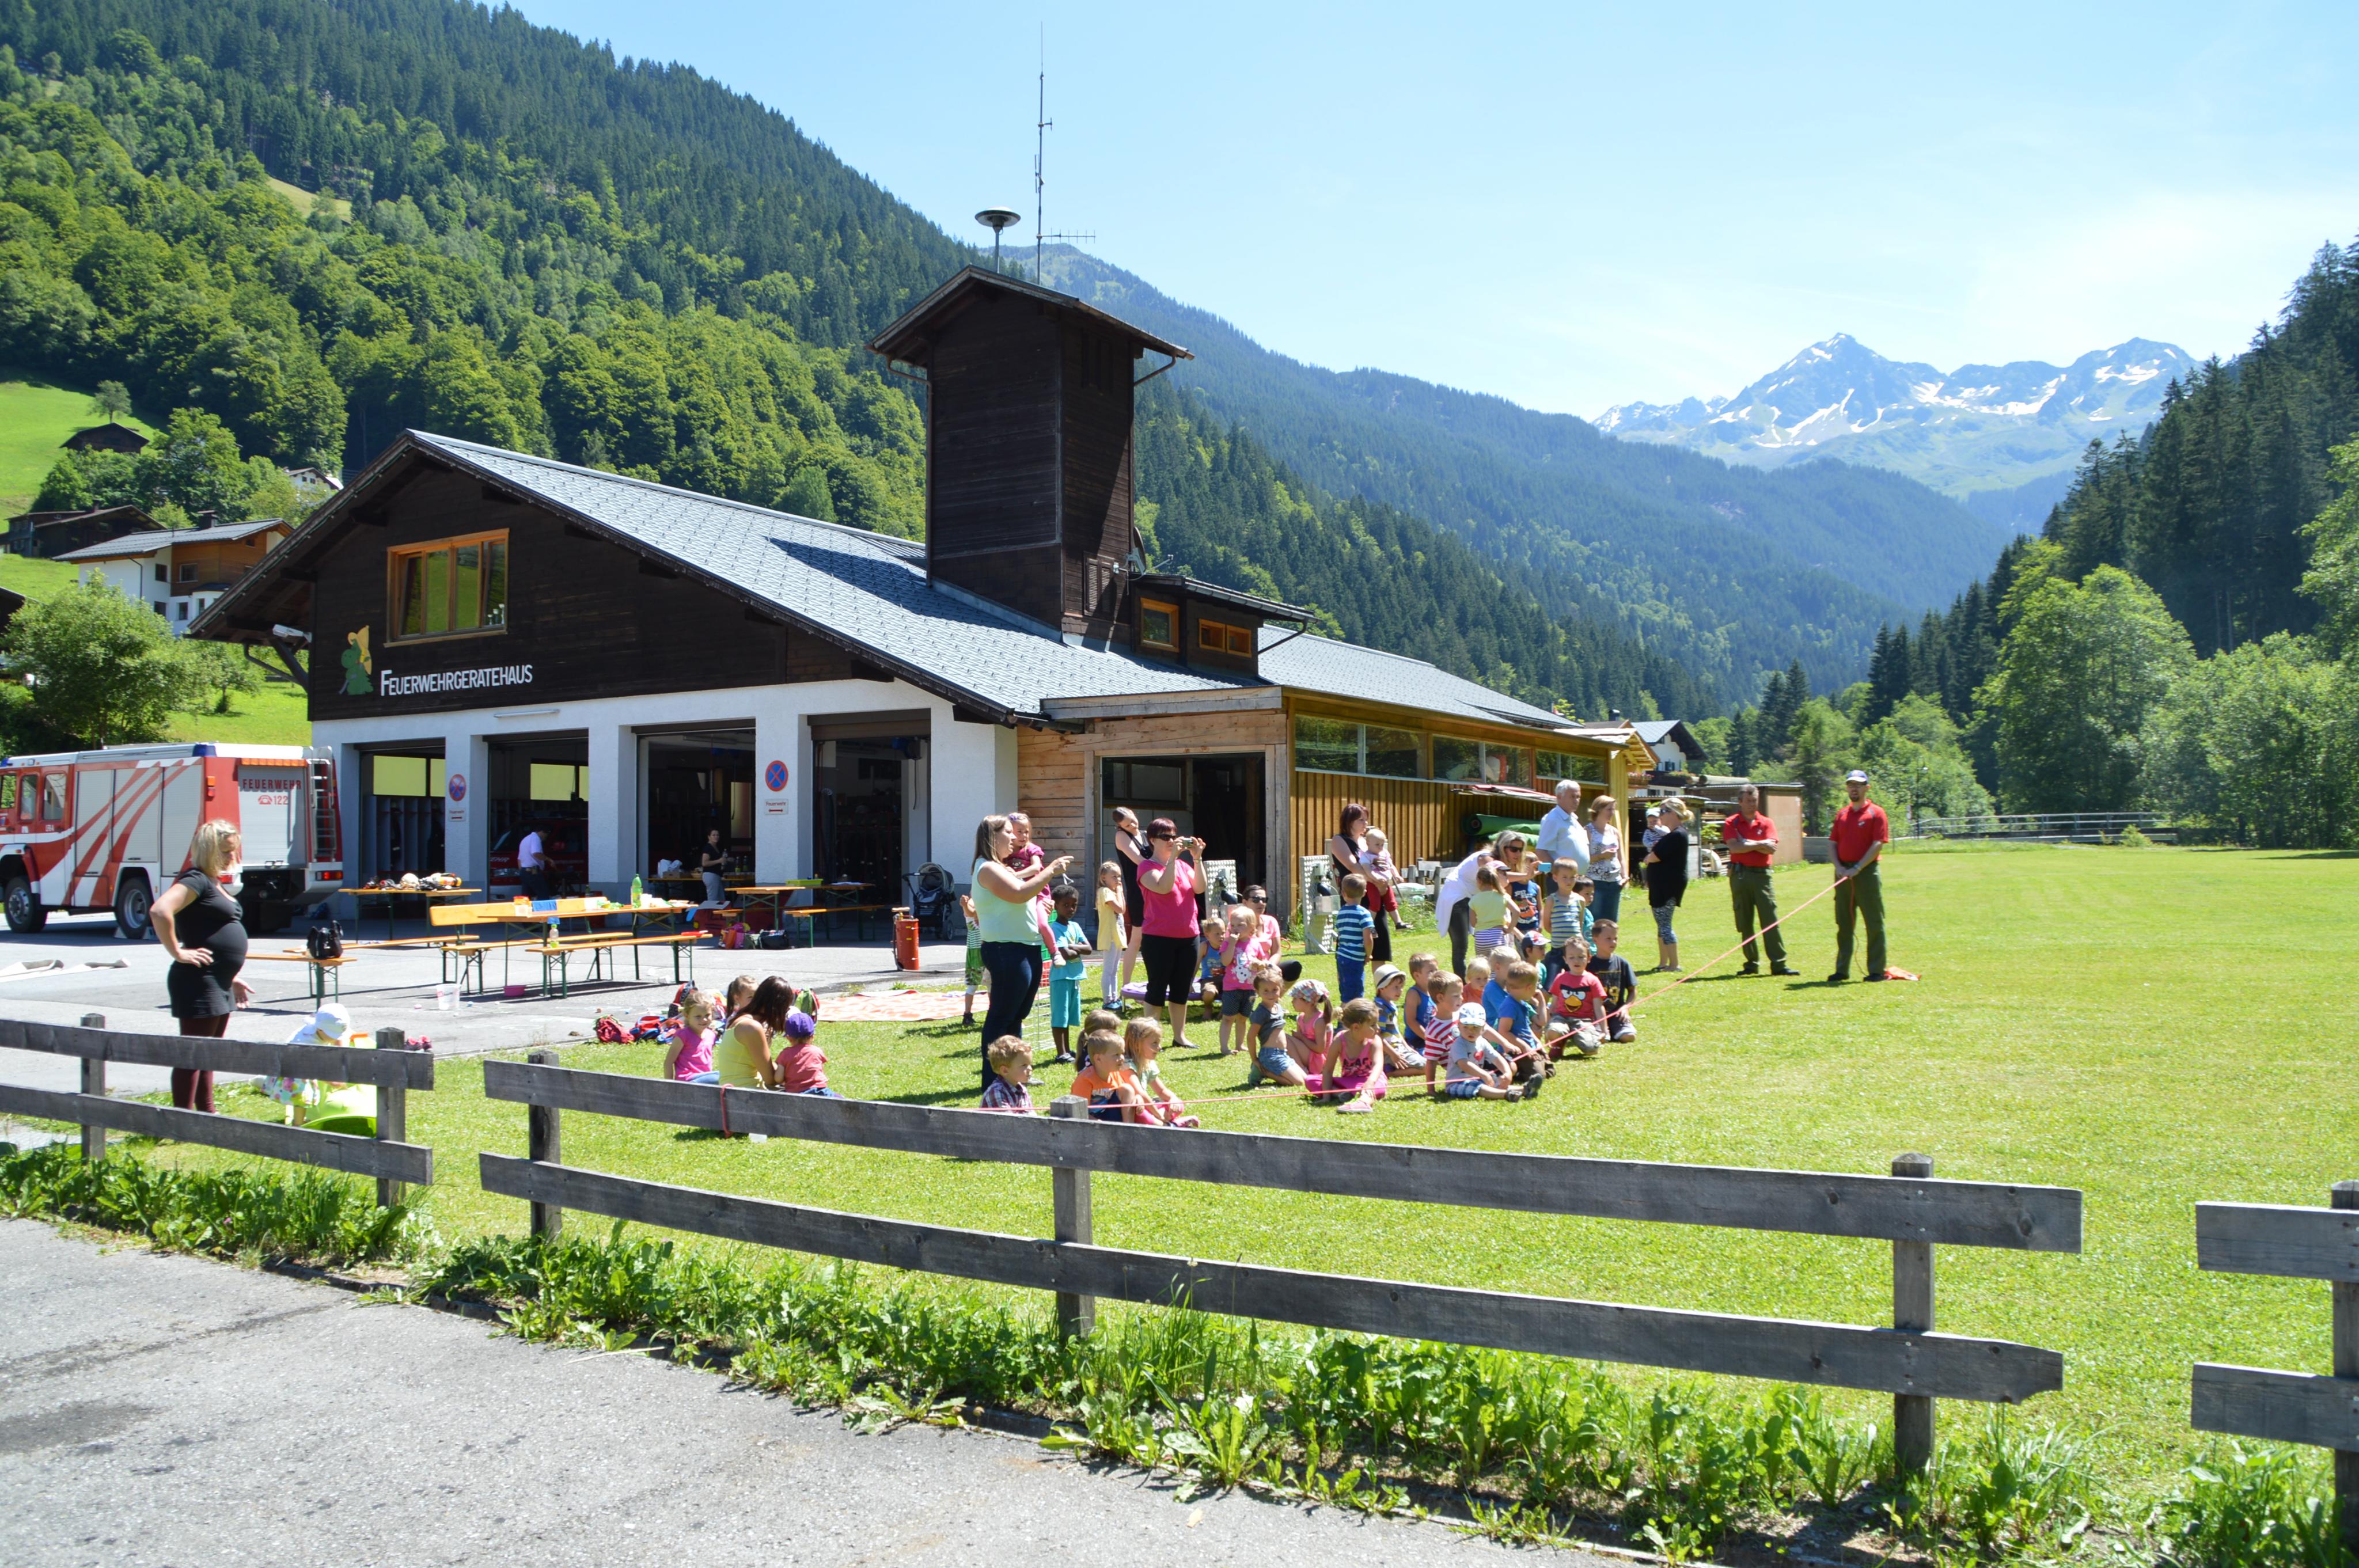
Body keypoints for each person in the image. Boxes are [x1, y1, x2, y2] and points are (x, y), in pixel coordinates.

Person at [150, 819, 252, 1112]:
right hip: (198, 980)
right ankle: (182, 1120)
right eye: (226, 851)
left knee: (209, 1053)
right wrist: (178, 952)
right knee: (193, 1054)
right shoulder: (196, 879)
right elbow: (160, 911)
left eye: (234, 850)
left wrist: (231, 976)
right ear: (209, 850)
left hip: (218, 980)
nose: (233, 857)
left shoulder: (214, 882)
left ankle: (208, 1115)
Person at [972, 814, 1073, 1090]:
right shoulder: (987, 868)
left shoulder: (1000, 867)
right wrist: (1050, 871)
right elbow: (1018, 894)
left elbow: (1022, 897)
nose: (1015, 837)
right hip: (1006, 951)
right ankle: (992, 1081)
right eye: (1008, 832)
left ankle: (1013, 1077)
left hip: (1026, 948)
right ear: (993, 837)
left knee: (1016, 1016)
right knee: (1002, 1017)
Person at [1135, 818, 1205, 1051]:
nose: (1171, 841)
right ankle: (1150, 1039)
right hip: (1158, 938)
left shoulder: (1184, 866)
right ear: (1152, 840)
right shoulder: (1146, 867)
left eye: (1174, 836)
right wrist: (1173, 859)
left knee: (1181, 988)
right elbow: (1164, 887)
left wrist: (1197, 858)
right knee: (1157, 988)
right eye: (1165, 837)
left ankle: (1180, 1037)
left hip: (1189, 936)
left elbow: (1200, 888)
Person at [1722, 784, 1796, 977]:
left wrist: (1746, 843)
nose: (1752, 804)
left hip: (1762, 876)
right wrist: (1760, 844)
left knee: (1770, 919)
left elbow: (1771, 848)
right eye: (1748, 801)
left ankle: (1779, 964)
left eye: (1755, 800)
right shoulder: (1732, 823)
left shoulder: (1767, 822)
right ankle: (1751, 964)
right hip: (1740, 876)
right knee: (1744, 921)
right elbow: (1734, 848)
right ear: (1740, 802)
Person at [1829, 769, 1891, 983]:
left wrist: (1858, 868)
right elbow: (1833, 843)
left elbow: (1878, 844)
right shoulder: (1842, 815)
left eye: (1858, 785)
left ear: (1867, 788)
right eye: (1850, 785)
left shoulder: (1876, 813)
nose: (1854, 789)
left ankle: (1877, 970)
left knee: (1874, 923)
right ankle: (1842, 970)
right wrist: (1839, 867)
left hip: (1866, 873)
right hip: (1843, 874)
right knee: (1844, 923)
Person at [1432, 830, 1525, 975]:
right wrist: (1527, 875)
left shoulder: (1483, 898)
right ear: (1503, 847)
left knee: (1483, 960)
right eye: (1514, 849)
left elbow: (1475, 923)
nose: (1518, 854)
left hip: (1480, 931)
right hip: (1455, 897)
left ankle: (1478, 982)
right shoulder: (1487, 859)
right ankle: (1463, 984)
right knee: (1461, 947)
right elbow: (1501, 880)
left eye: (1520, 850)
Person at [1328, 804, 1393, 966]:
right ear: (1349, 821)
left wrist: (1385, 882)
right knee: (1351, 948)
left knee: (1380, 948)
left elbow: (1383, 865)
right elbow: (1353, 867)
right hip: (1354, 899)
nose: (1366, 823)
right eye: (1361, 820)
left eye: (1366, 819)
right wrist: (1378, 882)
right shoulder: (1339, 840)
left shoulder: (1368, 842)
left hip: (1376, 896)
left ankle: (1381, 982)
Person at [715, 975, 796, 1097]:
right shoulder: (751, 1027)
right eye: (785, 1009)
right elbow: (770, 1079)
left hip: (737, 1093)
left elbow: (765, 1068)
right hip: (743, 1096)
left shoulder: (742, 1020)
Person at [1310, 997, 1387, 1113]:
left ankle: (1364, 1103)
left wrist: (1370, 1082)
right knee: (1311, 1080)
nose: (1378, 1028)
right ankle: (1343, 1094)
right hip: (1348, 1082)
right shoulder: (1340, 1040)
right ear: (1356, 1027)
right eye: (1373, 1025)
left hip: (1372, 1079)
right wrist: (1326, 1097)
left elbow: (1378, 1065)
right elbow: (1328, 1070)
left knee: (1378, 1089)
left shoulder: (1375, 1040)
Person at [1641, 798, 1691, 973]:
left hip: (1668, 886)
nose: (1660, 815)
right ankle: (1664, 962)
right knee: (1661, 924)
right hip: (1660, 885)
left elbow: (1656, 856)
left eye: (1663, 812)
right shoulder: (1671, 835)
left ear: (1673, 813)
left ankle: (1674, 964)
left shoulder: (1677, 835)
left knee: (1665, 924)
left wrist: (1649, 858)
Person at [1214, 902, 1270, 1056]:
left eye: (1240, 925)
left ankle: (1240, 1044)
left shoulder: (1255, 944)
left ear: (1251, 927)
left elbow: (1263, 962)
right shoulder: (1228, 942)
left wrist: (1261, 965)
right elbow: (1226, 962)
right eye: (1233, 925)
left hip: (1250, 988)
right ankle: (1224, 1047)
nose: (1235, 928)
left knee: (1243, 1019)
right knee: (1228, 1018)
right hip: (1232, 988)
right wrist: (1232, 943)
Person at [1125, 1016, 1200, 1127]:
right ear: (1137, 1044)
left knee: (1179, 1105)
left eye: (1159, 1043)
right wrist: (1158, 1115)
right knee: (1142, 1115)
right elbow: (1140, 1093)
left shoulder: (1148, 1063)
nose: (1159, 1047)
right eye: (1154, 1043)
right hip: (1135, 1108)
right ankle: (1171, 1126)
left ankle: (1162, 1124)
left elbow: (1161, 1091)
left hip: (1148, 1106)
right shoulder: (1127, 1065)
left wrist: (1173, 1099)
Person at [1046, 882, 1091, 1065]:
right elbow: (1065, 954)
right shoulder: (1054, 928)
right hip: (1061, 977)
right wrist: (1076, 948)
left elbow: (1089, 949)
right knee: (1060, 1016)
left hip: (1074, 977)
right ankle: (1061, 1052)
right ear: (1056, 906)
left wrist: (1072, 947)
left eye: (1074, 905)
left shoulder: (1075, 926)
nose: (1071, 909)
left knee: (1068, 1016)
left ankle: (1067, 1050)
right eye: (1066, 905)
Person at [1243, 963, 1307, 1090]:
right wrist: (1255, 1059)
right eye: (1266, 991)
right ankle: (1265, 1072)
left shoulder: (1278, 1007)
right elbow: (1251, 1037)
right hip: (1270, 1055)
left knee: (1306, 1079)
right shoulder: (1261, 1013)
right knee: (1299, 1083)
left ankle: (1268, 1071)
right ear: (1258, 992)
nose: (1271, 994)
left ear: (1281, 989)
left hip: (1283, 1054)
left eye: (1274, 990)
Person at [1545, 932, 1609, 1058]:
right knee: (1554, 1031)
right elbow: (1554, 1005)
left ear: (1589, 958)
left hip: (1583, 1021)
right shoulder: (1560, 978)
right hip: (1561, 1018)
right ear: (1565, 959)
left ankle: (1577, 1036)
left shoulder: (1593, 980)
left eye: (1581, 957)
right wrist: (1548, 1028)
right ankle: (1559, 1043)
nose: (1576, 961)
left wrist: (1604, 1030)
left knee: (1592, 1049)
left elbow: (1599, 1007)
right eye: (1572, 957)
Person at [1445, 1001, 1526, 1102]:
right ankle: (1506, 1095)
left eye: (1476, 1027)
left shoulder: (1482, 1042)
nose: (1471, 1031)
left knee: (1495, 1082)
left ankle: (1524, 1090)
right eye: (1466, 1027)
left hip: (1477, 1079)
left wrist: (1507, 1072)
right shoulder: (1459, 1044)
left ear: (1483, 1028)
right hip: (1457, 1084)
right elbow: (1464, 1064)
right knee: (1479, 1087)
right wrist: (1484, 1075)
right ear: (1459, 1026)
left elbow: (1497, 1058)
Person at [1110, 806, 1149, 993]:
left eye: (1133, 820)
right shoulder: (1121, 837)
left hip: (1154, 890)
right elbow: (1140, 860)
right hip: (1138, 892)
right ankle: (1126, 986)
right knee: (1137, 937)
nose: (1133, 825)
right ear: (1120, 826)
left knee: (1155, 938)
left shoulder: (1146, 835)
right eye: (1127, 825)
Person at [1586, 918, 1640, 1043]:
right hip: (1595, 1014)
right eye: (1608, 939)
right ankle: (1604, 1031)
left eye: (1616, 938)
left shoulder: (1623, 963)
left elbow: (1633, 990)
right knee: (1601, 1040)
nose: (1614, 942)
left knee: (1629, 1037)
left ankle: (1614, 1030)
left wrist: (1626, 1008)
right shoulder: (1588, 965)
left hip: (1617, 1013)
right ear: (1595, 940)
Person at [1071, 1030, 1143, 1123]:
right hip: (1091, 1122)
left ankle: (1128, 1128)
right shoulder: (1085, 1080)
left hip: (1109, 1116)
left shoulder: (1115, 1074)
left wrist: (1138, 1098)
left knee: (1127, 1089)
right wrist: (1098, 1123)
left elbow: (1126, 1094)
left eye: (1122, 1053)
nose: (1122, 1058)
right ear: (1098, 1059)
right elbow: (1078, 1112)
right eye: (1116, 1055)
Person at [1542, 859, 1592, 985]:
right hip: (1558, 949)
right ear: (1555, 877)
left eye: (1572, 877)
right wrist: (1558, 933)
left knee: (1577, 981)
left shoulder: (1580, 900)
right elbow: (1547, 925)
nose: (1569, 881)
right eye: (1564, 877)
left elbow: (1580, 924)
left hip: (1576, 950)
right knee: (1551, 983)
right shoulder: (1552, 900)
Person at [1330, 873, 1375, 1002]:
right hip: (1355, 958)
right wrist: (1369, 955)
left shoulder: (1341, 912)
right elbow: (1368, 939)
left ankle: (1345, 1006)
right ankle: (1349, 1011)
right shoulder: (1364, 913)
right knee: (1356, 991)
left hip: (1342, 956)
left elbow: (1341, 934)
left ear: (1343, 893)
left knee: (1345, 986)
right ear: (1364, 893)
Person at [661, 988, 721, 1083]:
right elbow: (669, 1062)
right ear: (687, 1015)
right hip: (688, 1081)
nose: (704, 1020)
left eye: (707, 1015)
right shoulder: (683, 1036)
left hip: (705, 1078)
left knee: (727, 1075)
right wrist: (670, 1086)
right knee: (721, 1077)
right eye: (698, 1016)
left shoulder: (711, 1035)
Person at [773, 1009, 837, 1097]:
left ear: (789, 1038)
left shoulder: (785, 1054)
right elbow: (820, 1071)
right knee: (841, 1100)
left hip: (795, 1094)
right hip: (820, 1092)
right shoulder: (817, 1051)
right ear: (813, 1036)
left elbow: (778, 1079)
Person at [1585, 798, 1627, 925]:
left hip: (1614, 882)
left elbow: (1621, 857)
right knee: (1595, 920)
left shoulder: (1614, 831)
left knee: (1611, 922)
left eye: (1613, 809)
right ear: (1598, 810)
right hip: (1595, 882)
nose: (1612, 813)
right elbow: (1584, 859)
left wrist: (1625, 876)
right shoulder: (1588, 831)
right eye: (1609, 809)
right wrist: (1602, 856)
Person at [1535, 779, 1589, 878]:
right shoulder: (1553, 819)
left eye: (1578, 797)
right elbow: (1541, 851)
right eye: (1572, 797)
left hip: (1577, 879)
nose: (1576, 801)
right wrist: (1558, 875)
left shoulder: (1574, 820)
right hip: (1562, 881)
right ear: (1559, 797)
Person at [1360, 829, 1401, 951]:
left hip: (1386, 883)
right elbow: (1367, 869)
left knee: (1392, 903)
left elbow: (1391, 866)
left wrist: (1397, 875)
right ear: (1368, 843)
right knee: (1375, 904)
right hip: (1373, 883)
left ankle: (1399, 922)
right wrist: (1375, 878)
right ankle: (1370, 926)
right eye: (1377, 845)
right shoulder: (1366, 856)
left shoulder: (1385, 854)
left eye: (1382, 845)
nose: (1380, 847)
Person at [1093, 861, 1126, 1007]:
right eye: (1114, 877)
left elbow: (1123, 909)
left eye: (1119, 876)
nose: (1118, 880)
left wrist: (1120, 892)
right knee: (1108, 970)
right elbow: (1120, 909)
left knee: (1115, 969)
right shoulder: (1105, 892)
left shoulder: (1113, 892)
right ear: (1104, 878)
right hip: (1110, 937)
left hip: (1117, 936)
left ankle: (1114, 998)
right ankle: (1107, 1000)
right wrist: (1120, 892)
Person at [1466, 864, 1512, 959]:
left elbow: (1473, 924)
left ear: (1479, 881)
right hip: (1497, 935)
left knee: (1483, 964)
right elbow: (1517, 912)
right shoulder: (1503, 896)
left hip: (1481, 937)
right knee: (1500, 963)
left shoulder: (1474, 899)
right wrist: (1509, 929)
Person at [980, 1035, 1036, 1113]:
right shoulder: (997, 1093)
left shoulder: (1022, 1089)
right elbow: (1007, 1120)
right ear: (1005, 1070)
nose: (1030, 1069)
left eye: (1030, 1064)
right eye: (1024, 1065)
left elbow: (1031, 1116)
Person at [697, 828, 730, 908]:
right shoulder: (708, 848)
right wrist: (719, 861)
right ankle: (710, 914)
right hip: (710, 875)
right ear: (709, 837)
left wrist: (727, 860)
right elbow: (705, 863)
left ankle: (719, 914)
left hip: (717, 875)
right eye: (714, 835)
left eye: (717, 835)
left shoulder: (716, 847)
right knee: (713, 898)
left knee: (721, 899)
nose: (716, 837)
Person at [518, 824, 552, 900]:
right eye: (546, 835)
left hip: (524, 871)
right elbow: (536, 853)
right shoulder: (536, 839)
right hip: (533, 871)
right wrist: (548, 860)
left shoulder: (526, 839)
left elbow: (519, 859)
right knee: (543, 895)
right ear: (543, 832)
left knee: (526, 898)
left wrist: (523, 871)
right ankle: (542, 908)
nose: (545, 838)